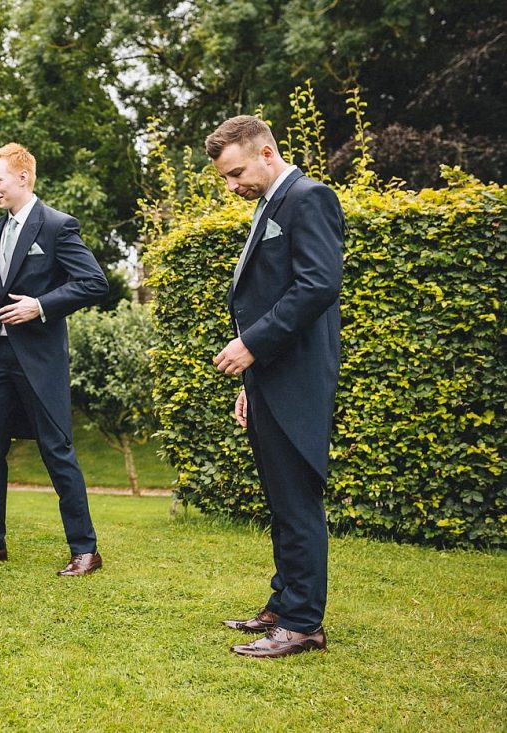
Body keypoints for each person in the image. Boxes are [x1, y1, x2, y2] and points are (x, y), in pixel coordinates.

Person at [207, 115, 343, 658]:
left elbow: (318, 284)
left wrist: (253, 345)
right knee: (280, 500)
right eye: (225, 178)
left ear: (266, 153)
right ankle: (283, 604)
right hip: (270, 380)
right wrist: (253, 381)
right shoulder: (269, 204)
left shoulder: (309, 197)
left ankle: (304, 624)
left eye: (236, 172)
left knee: (297, 503)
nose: (232, 185)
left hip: (298, 377)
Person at [0, 143, 108, 576]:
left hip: (39, 360)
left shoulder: (58, 226)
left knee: (58, 451)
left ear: (23, 177)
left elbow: (94, 282)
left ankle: (85, 550)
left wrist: (40, 305)